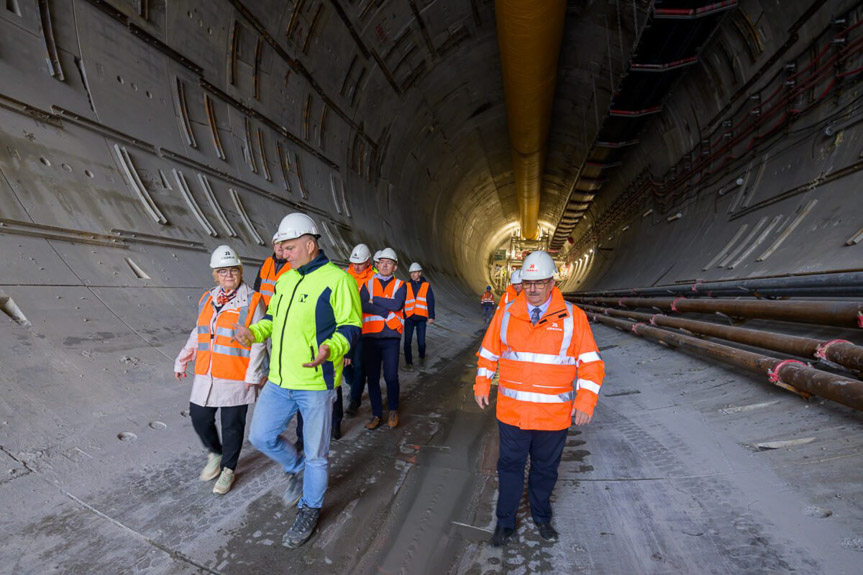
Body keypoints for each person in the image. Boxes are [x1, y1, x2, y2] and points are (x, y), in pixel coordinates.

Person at [234, 213, 361, 549]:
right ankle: (295, 466)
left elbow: (351, 327)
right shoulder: (287, 280)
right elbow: (273, 319)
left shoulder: (338, 280)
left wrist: (331, 348)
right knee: (261, 436)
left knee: (318, 454)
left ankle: (310, 507)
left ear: (309, 244)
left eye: (288, 248)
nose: (283, 254)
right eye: (281, 248)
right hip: (278, 379)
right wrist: (253, 332)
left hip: (315, 382)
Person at [474, 250, 605, 547]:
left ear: (552, 283)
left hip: (552, 416)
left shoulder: (573, 318)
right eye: (528, 282)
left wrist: (585, 403)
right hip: (513, 413)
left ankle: (541, 516)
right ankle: (505, 522)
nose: (532, 289)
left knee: (545, 470)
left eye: (540, 283)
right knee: (509, 467)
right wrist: (481, 385)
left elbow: (591, 363)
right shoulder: (506, 313)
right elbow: (488, 352)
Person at [174, 245, 266, 495]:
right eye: (222, 271)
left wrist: (254, 375)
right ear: (215, 274)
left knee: (232, 426)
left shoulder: (253, 300)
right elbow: (199, 331)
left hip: (237, 374)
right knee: (199, 417)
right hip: (207, 372)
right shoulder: (207, 297)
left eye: (233, 270)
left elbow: (260, 341)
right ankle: (215, 452)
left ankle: (228, 469)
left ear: (240, 270)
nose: (228, 275)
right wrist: (183, 358)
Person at [359, 247, 406, 429]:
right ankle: (376, 414)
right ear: (377, 264)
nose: (385, 265)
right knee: (372, 378)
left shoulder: (400, 285)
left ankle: (393, 409)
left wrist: (374, 300)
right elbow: (363, 305)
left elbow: (397, 303)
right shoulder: (368, 284)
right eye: (382, 262)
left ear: (394, 267)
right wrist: (385, 311)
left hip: (390, 338)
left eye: (389, 263)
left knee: (391, 376)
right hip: (370, 337)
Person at [344, 243, 375, 417]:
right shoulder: (345, 274)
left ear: (368, 261)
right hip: (346, 327)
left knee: (359, 364)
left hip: (364, 329)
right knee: (345, 365)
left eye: (360, 263)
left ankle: (354, 401)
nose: (356, 266)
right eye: (354, 262)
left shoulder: (373, 278)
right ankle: (353, 384)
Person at [403, 262, 435, 367]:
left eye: (415, 272)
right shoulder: (406, 286)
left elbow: (430, 301)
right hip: (409, 318)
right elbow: (402, 301)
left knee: (421, 342)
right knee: (407, 342)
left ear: (420, 273)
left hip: (421, 318)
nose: (413, 274)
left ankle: (422, 355)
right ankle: (409, 362)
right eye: (411, 272)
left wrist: (431, 316)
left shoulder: (426, 286)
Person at [254, 233, 291, 307]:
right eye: (277, 243)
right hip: (262, 308)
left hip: (279, 310)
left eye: (282, 243)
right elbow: (257, 286)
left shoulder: (292, 266)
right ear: (274, 246)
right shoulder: (266, 262)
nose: (280, 246)